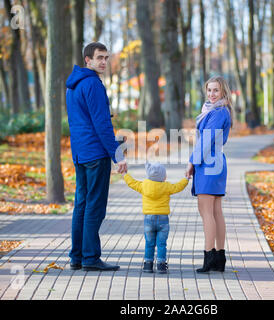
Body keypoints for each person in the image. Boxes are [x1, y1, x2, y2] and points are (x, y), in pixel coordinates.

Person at [66, 42, 127, 271]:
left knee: (81, 204)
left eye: (106, 58)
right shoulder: (93, 84)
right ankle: (90, 258)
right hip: (95, 153)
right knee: (95, 206)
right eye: (99, 57)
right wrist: (117, 155)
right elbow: (102, 125)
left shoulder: (73, 85)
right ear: (87, 60)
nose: (103, 62)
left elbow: (81, 118)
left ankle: (77, 257)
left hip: (80, 153)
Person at [185, 76, 233, 273]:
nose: (212, 94)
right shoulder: (217, 111)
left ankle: (209, 258)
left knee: (207, 212)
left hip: (209, 164)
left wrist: (192, 163)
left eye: (216, 90)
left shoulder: (219, 112)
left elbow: (205, 142)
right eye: (210, 90)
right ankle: (219, 258)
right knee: (215, 212)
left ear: (223, 92)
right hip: (215, 162)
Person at [124, 162, 188, 273]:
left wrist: (125, 174)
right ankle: (161, 265)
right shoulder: (166, 186)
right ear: (164, 176)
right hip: (163, 220)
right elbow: (178, 187)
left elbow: (132, 183)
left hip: (148, 220)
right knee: (162, 244)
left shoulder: (144, 185)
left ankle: (148, 265)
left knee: (149, 243)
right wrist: (186, 179)